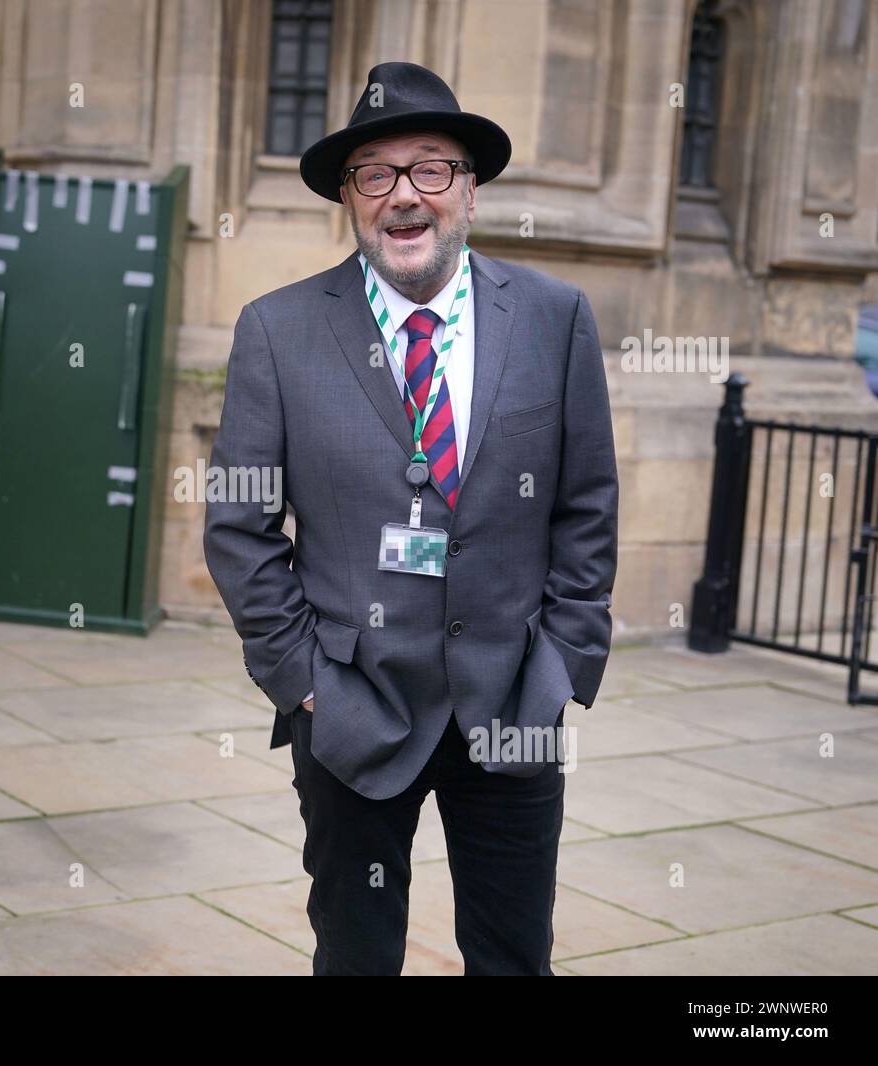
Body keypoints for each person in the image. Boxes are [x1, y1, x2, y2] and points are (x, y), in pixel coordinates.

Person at [203, 62, 618, 975]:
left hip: (513, 707)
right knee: (354, 957)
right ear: (350, 197)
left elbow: (586, 506)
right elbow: (238, 524)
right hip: (352, 708)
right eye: (376, 173)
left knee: (514, 957)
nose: (404, 195)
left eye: (431, 168)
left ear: (468, 188)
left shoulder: (554, 318)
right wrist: (302, 678)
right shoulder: (277, 330)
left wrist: (564, 662)